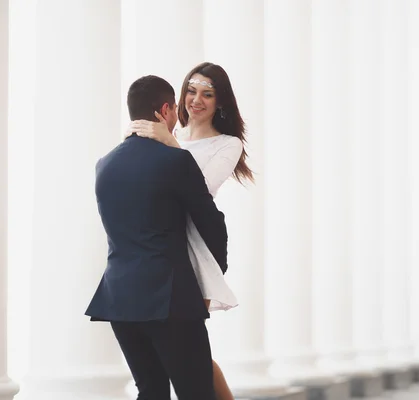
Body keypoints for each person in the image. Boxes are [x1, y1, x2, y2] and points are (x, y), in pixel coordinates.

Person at [85, 74, 228, 400]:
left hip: (119, 298)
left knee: (150, 391)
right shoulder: (175, 160)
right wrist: (214, 275)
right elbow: (211, 224)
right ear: (165, 110)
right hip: (170, 297)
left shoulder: (104, 164)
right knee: (197, 392)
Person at [127, 62, 254, 400]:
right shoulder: (169, 135)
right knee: (182, 356)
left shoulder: (227, 145)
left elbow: (202, 186)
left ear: (220, 102)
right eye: (192, 91)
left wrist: (168, 142)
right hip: (156, 248)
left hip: (194, 252)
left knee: (190, 353)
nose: (197, 100)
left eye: (208, 94)